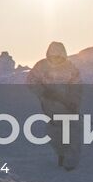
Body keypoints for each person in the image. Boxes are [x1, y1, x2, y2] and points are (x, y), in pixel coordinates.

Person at [26, 41, 82, 170]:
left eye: (58, 56)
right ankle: (62, 155)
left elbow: (77, 87)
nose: (55, 59)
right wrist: (43, 92)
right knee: (55, 136)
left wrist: (74, 102)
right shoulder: (41, 66)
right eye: (53, 56)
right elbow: (31, 80)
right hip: (50, 107)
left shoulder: (70, 68)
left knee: (72, 136)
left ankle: (70, 164)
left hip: (68, 107)